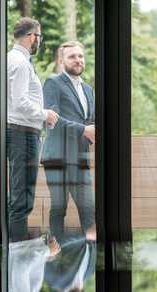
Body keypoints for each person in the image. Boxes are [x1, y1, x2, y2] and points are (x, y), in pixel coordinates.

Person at [7, 17, 59, 240]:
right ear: (32, 37)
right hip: (22, 135)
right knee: (22, 200)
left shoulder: (14, 59)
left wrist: (41, 117)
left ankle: (16, 259)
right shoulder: (19, 62)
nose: (39, 41)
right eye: (39, 37)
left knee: (19, 197)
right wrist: (44, 114)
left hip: (22, 133)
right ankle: (17, 258)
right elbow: (20, 102)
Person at [41, 41, 96, 237]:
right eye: (72, 56)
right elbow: (52, 120)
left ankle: (90, 261)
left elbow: (91, 121)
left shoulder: (88, 89)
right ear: (61, 61)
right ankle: (55, 260)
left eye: (80, 56)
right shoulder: (52, 83)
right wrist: (84, 130)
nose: (77, 60)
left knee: (90, 211)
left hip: (80, 159)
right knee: (58, 208)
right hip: (57, 157)